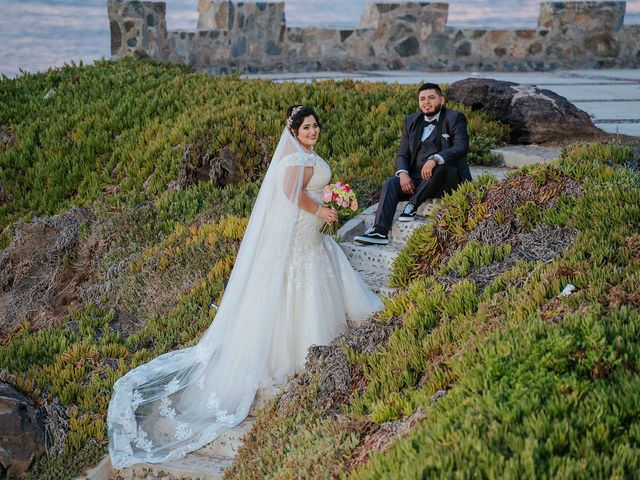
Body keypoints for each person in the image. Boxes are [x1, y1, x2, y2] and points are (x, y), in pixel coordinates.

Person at [107, 105, 383, 468]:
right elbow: (291, 194)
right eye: (307, 127)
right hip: (302, 232)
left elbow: (305, 190)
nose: (313, 131)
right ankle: (298, 347)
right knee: (300, 281)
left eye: (316, 126)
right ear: (295, 131)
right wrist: (321, 210)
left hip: (308, 234)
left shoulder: (305, 155)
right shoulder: (296, 160)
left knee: (315, 270)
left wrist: (330, 199)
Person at [354, 82, 471, 245]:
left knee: (441, 166)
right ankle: (380, 231)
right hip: (419, 180)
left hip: (446, 181)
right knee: (391, 183)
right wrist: (403, 173)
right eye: (422, 99)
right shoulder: (411, 121)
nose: (426, 102)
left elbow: (461, 146)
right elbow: (403, 153)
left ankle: (412, 205)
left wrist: (435, 158)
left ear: (441, 100)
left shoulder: (454, 118)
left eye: (431, 97)